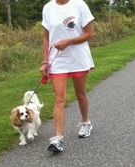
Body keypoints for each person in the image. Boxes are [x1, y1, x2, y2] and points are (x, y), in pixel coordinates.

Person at [40, 0, 95, 153]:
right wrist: (45, 61)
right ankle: (57, 138)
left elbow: (89, 34)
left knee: (80, 93)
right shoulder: (48, 8)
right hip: (57, 59)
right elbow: (46, 37)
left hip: (78, 58)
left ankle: (85, 122)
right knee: (59, 97)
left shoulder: (79, 5)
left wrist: (69, 41)